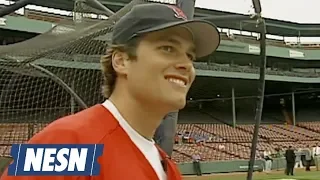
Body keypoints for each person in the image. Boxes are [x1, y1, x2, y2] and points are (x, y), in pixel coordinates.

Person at [0, 3, 220, 180]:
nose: (186, 65)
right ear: (121, 61)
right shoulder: (67, 142)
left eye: (190, 56)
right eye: (168, 48)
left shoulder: (168, 167)